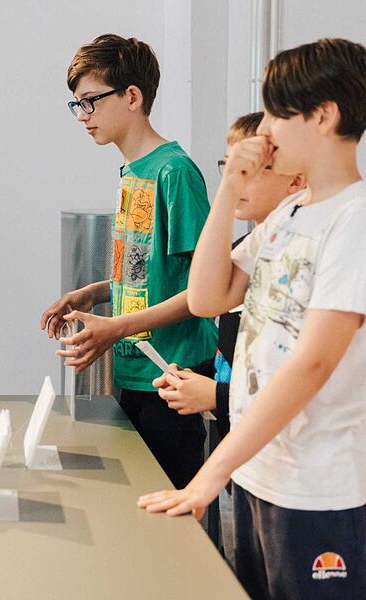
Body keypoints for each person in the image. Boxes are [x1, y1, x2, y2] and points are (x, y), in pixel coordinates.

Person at [139, 38, 366, 600]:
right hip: (262, 470)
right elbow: (207, 296)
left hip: (320, 487)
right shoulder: (291, 211)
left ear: (323, 115)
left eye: (275, 113)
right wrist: (230, 188)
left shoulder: (354, 219)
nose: (263, 130)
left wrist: (211, 471)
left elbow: (313, 363)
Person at [40, 34, 217, 488]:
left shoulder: (174, 172)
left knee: (173, 521)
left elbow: (207, 289)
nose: (83, 116)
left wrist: (116, 327)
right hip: (135, 371)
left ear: (132, 96)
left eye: (90, 102)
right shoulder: (132, 170)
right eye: (77, 105)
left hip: (172, 376)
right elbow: (145, 269)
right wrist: (91, 293)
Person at [154, 111, 305, 442]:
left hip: (279, 448)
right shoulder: (250, 247)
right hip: (242, 445)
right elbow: (230, 346)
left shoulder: (306, 249)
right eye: (230, 167)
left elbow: (298, 374)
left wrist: (217, 395)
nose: (234, 180)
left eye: (249, 170)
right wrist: (199, 376)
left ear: (295, 179)